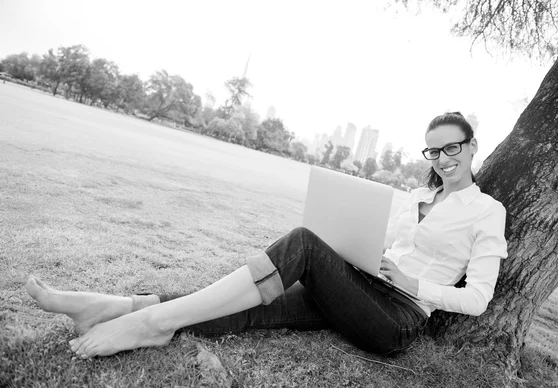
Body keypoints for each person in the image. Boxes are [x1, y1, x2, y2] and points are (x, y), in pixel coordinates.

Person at [26, 112, 508, 359]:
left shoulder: (487, 212)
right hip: (362, 290)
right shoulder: (414, 197)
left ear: (471, 148)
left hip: (398, 316)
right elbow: (384, 249)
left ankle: (148, 323)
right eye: (433, 151)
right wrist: (362, 255)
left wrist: (410, 281)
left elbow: (480, 299)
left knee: (300, 240)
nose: (443, 159)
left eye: (452, 148)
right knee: (249, 310)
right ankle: (113, 307)